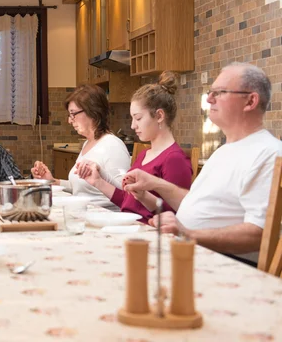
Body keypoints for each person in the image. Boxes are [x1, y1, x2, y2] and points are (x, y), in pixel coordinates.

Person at [124, 63, 282, 265]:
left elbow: (259, 233)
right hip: (191, 251)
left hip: (223, 263)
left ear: (250, 101)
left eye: (219, 92)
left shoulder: (268, 153)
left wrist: (188, 234)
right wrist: (154, 184)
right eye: (210, 92)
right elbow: (194, 204)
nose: (209, 99)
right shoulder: (224, 151)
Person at [77, 72, 192, 223]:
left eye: (138, 118)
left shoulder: (174, 159)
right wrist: (98, 181)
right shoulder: (144, 154)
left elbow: (178, 215)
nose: (132, 126)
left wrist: (144, 196)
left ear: (159, 116)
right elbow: (128, 202)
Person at [31, 85, 130, 210]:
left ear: (93, 112)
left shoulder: (113, 145)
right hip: (85, 214)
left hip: (106, 217)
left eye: (73, 114)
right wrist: (52, 181)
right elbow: (81, 188)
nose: (70, 120)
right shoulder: (87, 144)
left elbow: (125, 193)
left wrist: (101, 178)